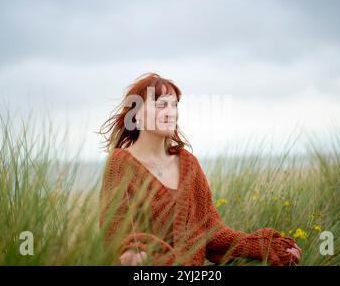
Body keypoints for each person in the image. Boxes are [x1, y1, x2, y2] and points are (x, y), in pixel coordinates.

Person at [98, 72, 302, 266]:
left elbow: (212, 232)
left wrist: (262, 246)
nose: (171, 113)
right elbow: (117, 231)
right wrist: (132, 253)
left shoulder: (189, 164)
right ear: (136, 113)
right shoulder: (120, 163)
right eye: (161, 105)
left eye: (174, 105)